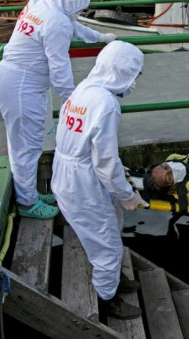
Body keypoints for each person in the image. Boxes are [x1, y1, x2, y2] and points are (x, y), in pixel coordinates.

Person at [0, 0, 117, 219]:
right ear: (69, 4)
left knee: (25, 143)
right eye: (78, 10)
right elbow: (59, 66)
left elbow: (72, 25)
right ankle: (27, 203)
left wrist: (99, 37)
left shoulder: (41, 3)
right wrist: (71, 100)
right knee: (26, 147)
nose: (78, 14)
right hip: (22, 86)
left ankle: (30, 194)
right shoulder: (56, 21)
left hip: (12, 79)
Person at [52, 41, 147, 320]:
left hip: (68, 171)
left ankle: (114, 280)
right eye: (134, 75)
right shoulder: (106, 105)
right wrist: (127, 194)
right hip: (82, 183)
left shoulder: (85, 89)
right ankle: (108, 299)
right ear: (122, 72)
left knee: (111, 225)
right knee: (107, 244)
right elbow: (105, 163)